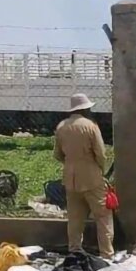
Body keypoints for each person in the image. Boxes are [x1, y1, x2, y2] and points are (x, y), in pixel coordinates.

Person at [54, 93, 114, 259]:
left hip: (70, 178)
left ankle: (74, 251)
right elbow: (100, 154)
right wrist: (101, 170)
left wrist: (71, 163)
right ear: (86, 109)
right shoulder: (91, 126)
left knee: (75, 218)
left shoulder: (61, 127)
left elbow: (57, 155)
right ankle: (107, 254)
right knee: (102, 216)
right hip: (91, 177)